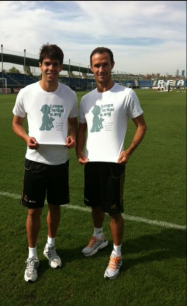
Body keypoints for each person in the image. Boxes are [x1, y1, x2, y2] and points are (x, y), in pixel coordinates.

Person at [76, 47, 147, 280]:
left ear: (112, 65)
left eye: (105, 64)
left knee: (114, 212)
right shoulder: (86, 99)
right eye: (96, 65)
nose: (101, 69)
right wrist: (79, 149)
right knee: (95, 206)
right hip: (92, 162)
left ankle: (117, 253)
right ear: (91, 68)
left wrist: (130, 151)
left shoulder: (126, 94)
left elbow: (141, 126)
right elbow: (82, 128)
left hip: (114, 163)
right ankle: (98, 237)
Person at [12, 44, 78, 283]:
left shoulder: (69, 94)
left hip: (60, 162)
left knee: (56, 207)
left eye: (56, 64)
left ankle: (50, 246)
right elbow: (16, 123)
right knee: (33, 210)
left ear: (61, 67)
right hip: (35, 162)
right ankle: (32, 256)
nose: (51, 68)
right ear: (40, 66)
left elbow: (73, 123)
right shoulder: (26, 93)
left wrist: (72, 136)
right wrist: (25, 137)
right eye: (47, 63)